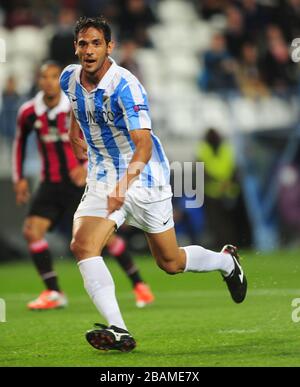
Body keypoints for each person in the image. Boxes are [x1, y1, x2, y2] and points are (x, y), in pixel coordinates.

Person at [60, 16, 248, 353]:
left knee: (170, 262)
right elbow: (77, 107)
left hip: (143, 176)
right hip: (103, 175)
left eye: (96, 43)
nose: (89, 50)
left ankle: (226, 262)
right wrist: (75, 134)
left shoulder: (126, 86)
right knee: (83, 245)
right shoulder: (68, 79)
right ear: (76, 47)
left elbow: (143, 146)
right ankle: (119, 329)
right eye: (83, 43)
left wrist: (124, 185)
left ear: (109, 47)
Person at [12, 61, 154, 311]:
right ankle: (54, 291)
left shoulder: (75, 105)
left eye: (54, 76)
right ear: (38, 80)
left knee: (105, 239)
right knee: (32, 230)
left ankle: (139, 284)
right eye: (44, 77)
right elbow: (20, 142)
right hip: (51, 182)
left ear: (59, 79)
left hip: (81, 181)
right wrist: (20, 178)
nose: (49, 81)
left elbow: (97, 135)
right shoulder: (29, 111)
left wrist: (85, 164)